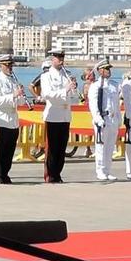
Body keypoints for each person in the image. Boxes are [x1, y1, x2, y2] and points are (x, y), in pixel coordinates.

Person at [37, 51, 75, 183]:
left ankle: (58, 174)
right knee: (52, 148)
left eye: (62, 58)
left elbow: (72, 95)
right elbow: (47, 94)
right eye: (58, 58)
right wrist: (65, 90)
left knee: (61, 147)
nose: (61, 60)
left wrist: (73, 89)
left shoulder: (67, 75)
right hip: (53, 114)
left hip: (65, 115)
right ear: (53, 59)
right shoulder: (46, 76)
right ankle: (50, 175)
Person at [0, 54, 23, 184]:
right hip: (1, 119)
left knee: (9, 150)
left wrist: (20, 96)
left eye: (11, 65)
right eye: (7, 65)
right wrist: (13, 95)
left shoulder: (14, 81)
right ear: (0, 65)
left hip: (13, 120)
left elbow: (20, 102)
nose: (9, 67)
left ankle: (5, 174)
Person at [87, 60, 120, 182]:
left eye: (109, 69)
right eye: (106, 69)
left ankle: (107, 170)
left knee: (110, 147)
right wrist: (97, 118)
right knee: (101, 146)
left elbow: (115, 103)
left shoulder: (113, 85)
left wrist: (118, 117)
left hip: (112, 118)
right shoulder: (95, 86)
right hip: (102, 118)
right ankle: (100, 170)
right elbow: (93, 104)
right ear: (100, 71)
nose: (108, 71)